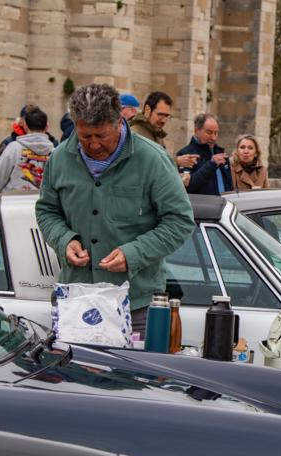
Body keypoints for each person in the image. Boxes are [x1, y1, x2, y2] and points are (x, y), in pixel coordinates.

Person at [35, 83, 195, 337]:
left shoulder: (153, 160)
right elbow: (47, 211)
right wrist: (64, 240)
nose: (94, 145)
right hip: (75, 301)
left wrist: (133, 254)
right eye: (85, 136)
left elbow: (180, 221)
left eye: (101, 136)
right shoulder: (59, 159)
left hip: (136, 306)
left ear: (119, 122)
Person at [0, 106, 55, 199]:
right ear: (46, 127)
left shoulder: (13, 148)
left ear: (25, 126)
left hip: (14, 201)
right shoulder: (55, 153)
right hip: (42, 202)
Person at [175, 113, 233, 195]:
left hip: (225, 202)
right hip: (202, 203)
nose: (213, 138)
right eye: (209, 132)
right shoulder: (185, 155)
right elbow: (187, 187)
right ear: (196, 131)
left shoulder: (220, 153)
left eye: (216, 133)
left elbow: (228, 185)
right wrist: (211, 164)